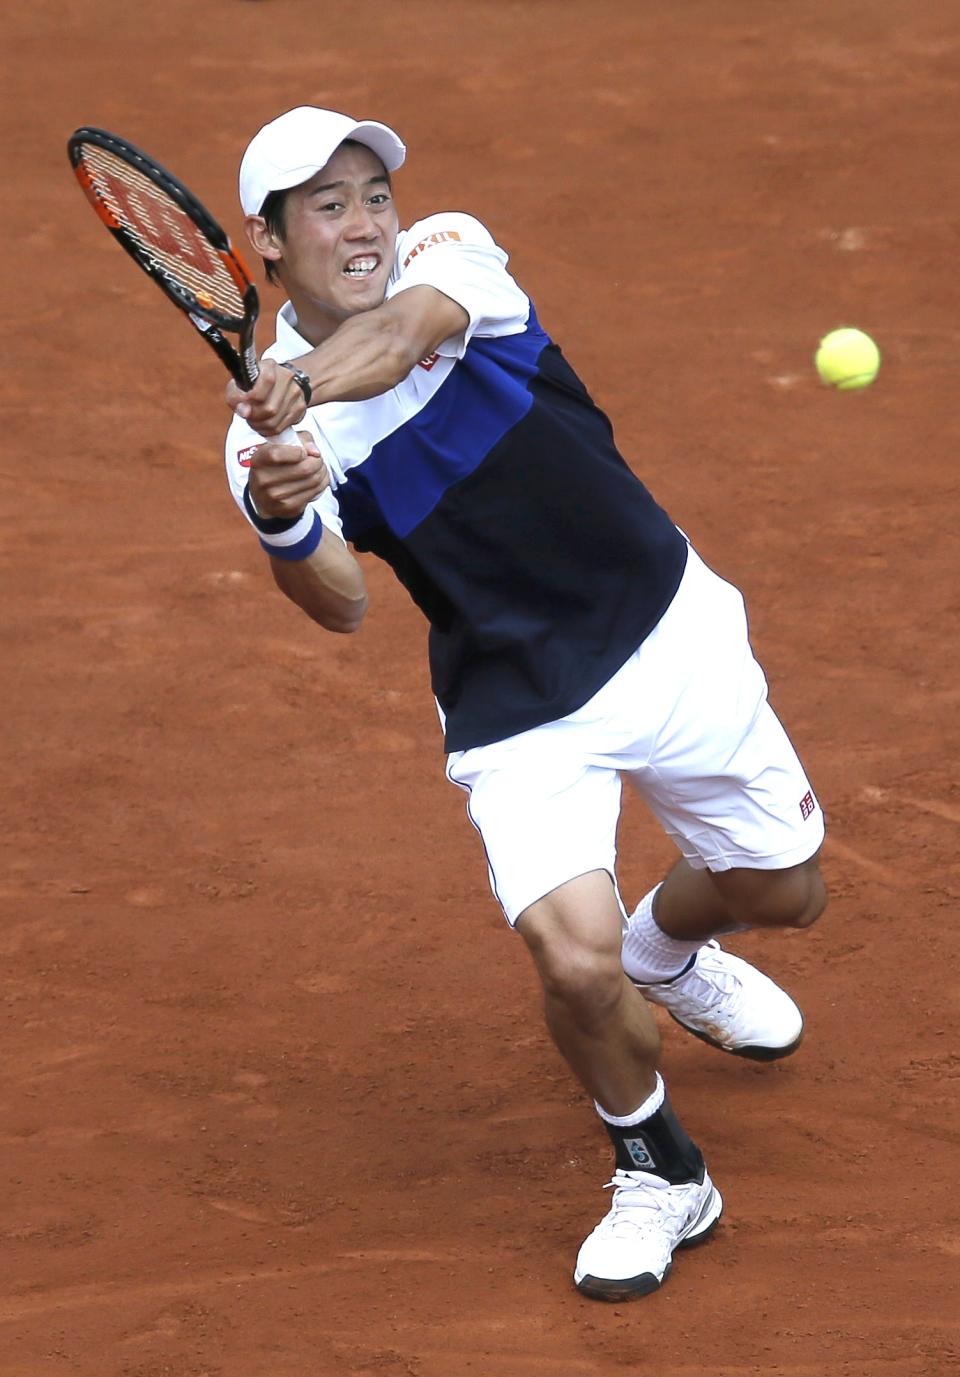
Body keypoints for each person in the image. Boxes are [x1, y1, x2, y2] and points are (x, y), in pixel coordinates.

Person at [223, 106, 827, 1302]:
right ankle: (658, 1170)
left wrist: (294, 385)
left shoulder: (451, 252)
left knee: (787, 891)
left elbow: (399, 338)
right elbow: (340, 605)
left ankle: (668, 946)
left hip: (664, 627)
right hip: (517, 701)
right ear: (266, 244)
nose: (365, 224)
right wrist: (287, 515)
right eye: (329, 205)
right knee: (568, 961)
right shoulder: (259, 440)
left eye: (372, 196)